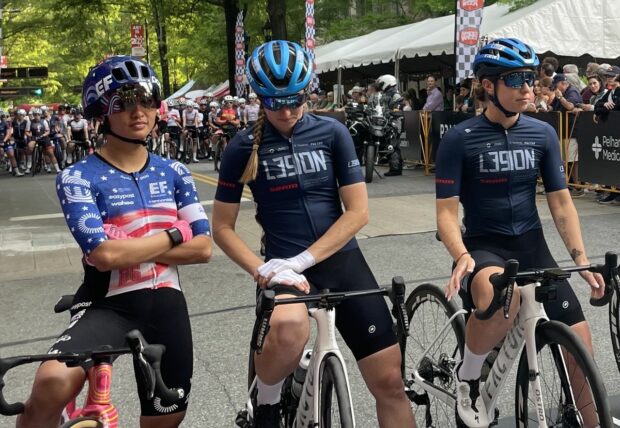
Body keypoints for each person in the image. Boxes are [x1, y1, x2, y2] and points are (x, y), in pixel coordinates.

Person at [211, 40, 416, 428]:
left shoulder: (331, 132)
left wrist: (304, 260)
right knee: (288, 327)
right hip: (282, 269)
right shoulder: (241, 147)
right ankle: (266, 405)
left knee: (390, 382)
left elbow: (358, 213)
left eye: (296, 100)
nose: (287, 111)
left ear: (309, 91)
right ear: (259, 98)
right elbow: (221, 228)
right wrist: (264, 269)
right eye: (275, 103)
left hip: (340, 262)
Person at [16, 56, 212, 428]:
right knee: (50, 382)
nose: (138, 112)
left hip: (167, 308)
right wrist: (174, 234)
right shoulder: (77, 176)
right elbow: (104, 255)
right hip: (108, 304)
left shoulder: (175, 172)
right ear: (101, 112)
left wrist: (132, 246)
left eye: (148, 99)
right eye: (123, 102)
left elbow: (202, 249)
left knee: (166, 420)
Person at [435, 38, 605, 428]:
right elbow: (445, 214)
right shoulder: (459, 139)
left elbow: (561, 203)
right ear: (488, 86)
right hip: (484, 248)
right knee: (500, 298)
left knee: (581, 351)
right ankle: (469, 375)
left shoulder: (542, 134)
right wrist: (461, 254)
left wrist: (580, 261)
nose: (529, 87)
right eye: (516, 79)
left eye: (531, 77)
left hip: (532, 246)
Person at [375, 74, 404, 176]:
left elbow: (397, 110)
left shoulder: (395, 95)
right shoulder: (387, 94)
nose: (381, 86)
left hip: (395, 122)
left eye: (382, 84)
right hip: (390, 121)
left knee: (393, 144)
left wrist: (389, 113)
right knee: (391, 143)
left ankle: (396, 169)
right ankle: (395, 167)